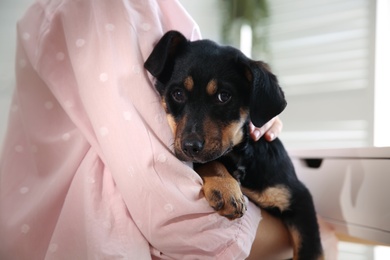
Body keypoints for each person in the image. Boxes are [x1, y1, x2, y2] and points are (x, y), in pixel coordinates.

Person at [0, 0, 336, 259]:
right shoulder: (104, 11)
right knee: (329, 235)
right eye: (177, 95)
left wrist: (258, 112)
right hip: (98, 233)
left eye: (222, 97)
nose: (192, 136)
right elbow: (173, 215)